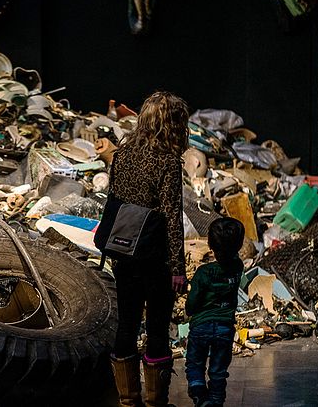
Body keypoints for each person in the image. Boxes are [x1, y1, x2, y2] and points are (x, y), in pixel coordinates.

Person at [107, 91, 189, 407]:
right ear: (172, 125)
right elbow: (171, 216)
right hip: (155, 260)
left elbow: (115, 203)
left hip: (124, 254)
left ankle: (128, 401)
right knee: (156, 328)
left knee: (126, 324)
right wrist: (178, 268)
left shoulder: (121, 155)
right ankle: (155, 401)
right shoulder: (168, 162)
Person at [185, 217, 245, 407]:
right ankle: (216, 402)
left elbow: (192, 304)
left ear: (209, 244)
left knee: (195, 364)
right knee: (218, 371)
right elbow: (232, 257)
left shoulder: (203, 272)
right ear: (239, 245)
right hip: (225, 329)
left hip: (200, 326)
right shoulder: (238, 267)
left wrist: (189, 310)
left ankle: (200, 395)